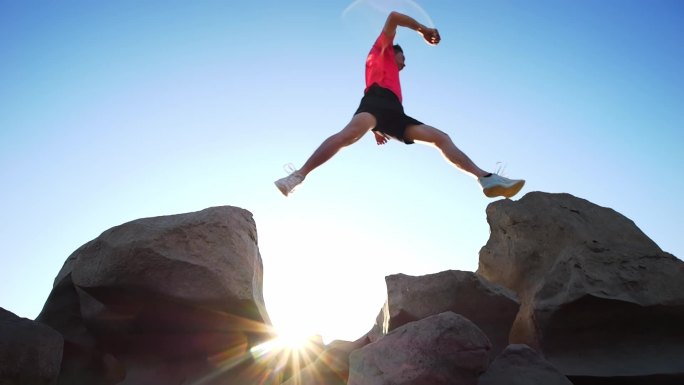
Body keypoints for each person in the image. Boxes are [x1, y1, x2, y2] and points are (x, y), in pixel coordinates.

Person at [275, 11, 524, 198]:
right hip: (375, 102)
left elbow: (387, 111)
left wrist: (376, 130)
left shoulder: (393, 73)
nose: (404, 64)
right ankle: (298, 175)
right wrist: (422, 29)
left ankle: (486, 179)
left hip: (394, 113)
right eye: (403, 58)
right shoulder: (380, 51)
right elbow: (393, 16)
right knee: (349, 135)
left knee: (441, 137)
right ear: (392, 52)